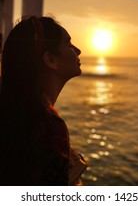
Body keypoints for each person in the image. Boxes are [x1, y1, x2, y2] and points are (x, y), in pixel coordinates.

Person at [0, 16, 86, 185]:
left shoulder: (13, 112)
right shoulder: (48, 126)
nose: (78, 50)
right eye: (68, 44)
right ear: (50, 60)